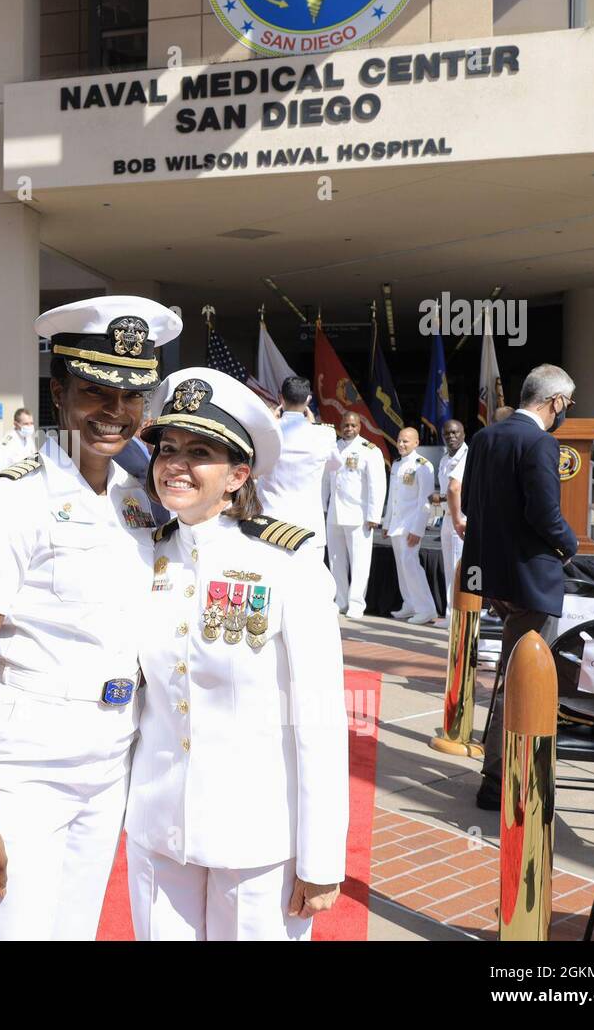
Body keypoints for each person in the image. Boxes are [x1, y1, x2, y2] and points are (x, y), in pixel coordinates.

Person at [0, 295, 180, 941]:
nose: (115, 411)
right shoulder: (16, 504)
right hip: (23, 769)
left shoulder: (138, 503)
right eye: (95, 391)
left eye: (132, 396)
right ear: (59, 393)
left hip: (108, 761)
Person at [127, 367, 347, 941]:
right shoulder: (142, 556)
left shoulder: (286, 562)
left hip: (255, 835)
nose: (176, 464)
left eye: (200, 452)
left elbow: (320, 719)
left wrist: (319, 858)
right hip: (158, 824)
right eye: (166, 448)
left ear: (237, 475)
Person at [461, 364, 578, 809]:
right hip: (530, 578)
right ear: (554, 402)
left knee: (515, 673)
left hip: (495, 577)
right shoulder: (540, 442)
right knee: (524, 681)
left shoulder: (486, 437)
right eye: (566, 404)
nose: (565, 412)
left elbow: (470, 503)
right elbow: (545, 514)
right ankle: (502, 779)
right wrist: (570, 546)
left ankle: (503, 771)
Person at [255, 376, 341, 562]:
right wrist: (313, 426)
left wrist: (269, 422)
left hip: (270, 524)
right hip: (307, 525)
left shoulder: (267, 431)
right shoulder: (324, 434)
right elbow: (336, 465)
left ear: (280, 398)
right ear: (308, 400)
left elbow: (252, 467)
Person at [325, 412, 386, 619]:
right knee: (335, 559)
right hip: (334, 513)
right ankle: (340, 600)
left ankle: (356, 603)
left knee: (360, 562)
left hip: (359, 515)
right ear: (340, 426)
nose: (349, 428)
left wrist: (374, 515)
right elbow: (326, 480)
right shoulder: (333, 447)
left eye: (353, 425)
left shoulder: (369, 450)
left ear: (360, 427)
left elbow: (377, 485)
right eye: (345, 425)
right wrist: (323, 507)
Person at [382, 427, 438, 625]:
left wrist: (418, 530)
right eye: (399, 440)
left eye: (406, 441)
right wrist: (387, 522)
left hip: (411, 524)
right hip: (397, 523)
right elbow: (393, 496)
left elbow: (426, 501)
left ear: (416, 443)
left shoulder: (423, 465)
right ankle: (410, 603)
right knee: (402, 566)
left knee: (410, 565)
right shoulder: (397, 464)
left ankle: (426, 609)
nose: (401, 444)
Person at [434, 419, 469, 621]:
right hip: (447, 517)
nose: (451, 437)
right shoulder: (445, 458)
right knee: (449, 567)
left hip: (461, 517)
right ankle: (450, 614)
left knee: (458, 567)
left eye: (455, 433)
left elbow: (457, 489)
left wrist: (441, 498)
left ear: (463, 434)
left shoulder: (468, 455)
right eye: (447, 434)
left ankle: (458, 614)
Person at [0, 408, 37, 473]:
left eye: (31, 423)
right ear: (16, 424)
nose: (30, 426)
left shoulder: (28, 439)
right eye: (26, 424)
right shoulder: (8, 442)